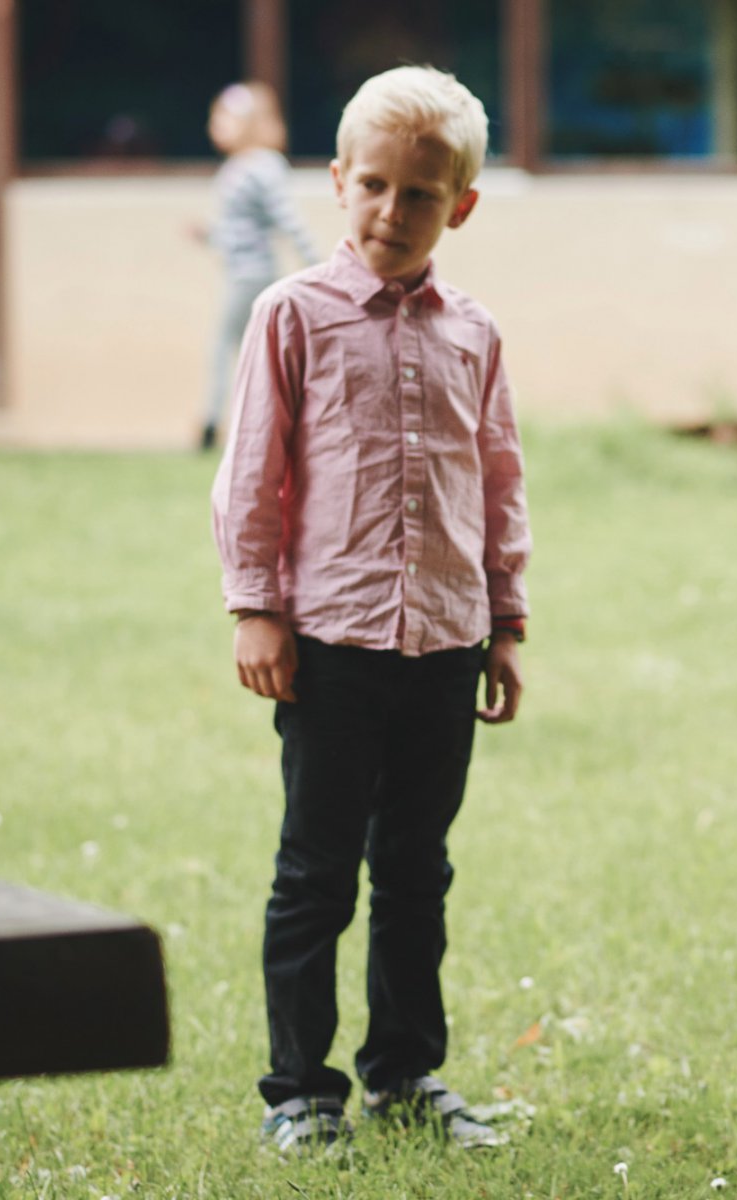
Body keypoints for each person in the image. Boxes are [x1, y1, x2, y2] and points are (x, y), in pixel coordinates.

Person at [211, 64, 530, 1155]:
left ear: (461, 206)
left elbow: (498, 480)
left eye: (422, 194)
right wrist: (255, 608)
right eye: (376, 185)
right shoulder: (290, 315)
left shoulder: (475, 333)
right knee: (315, 873)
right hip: (331, 646)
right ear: (339, 181)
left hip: (445, 642)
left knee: (416, 872)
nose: (394, 210)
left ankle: (405, 1072)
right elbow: (250, 474)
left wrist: (506, 624)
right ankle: (300, 1089)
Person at [196, 81, 319, 451]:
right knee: (255, 350)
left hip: (253, 275)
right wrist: (209, 235)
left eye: (223, 119)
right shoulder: (237, 169)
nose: (215, 127)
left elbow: (287, 219)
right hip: (241, 272)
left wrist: (317, 265)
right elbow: (237, 231)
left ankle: (213, 421)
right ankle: (256, 421)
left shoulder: (262, 166)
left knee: (227, 346)